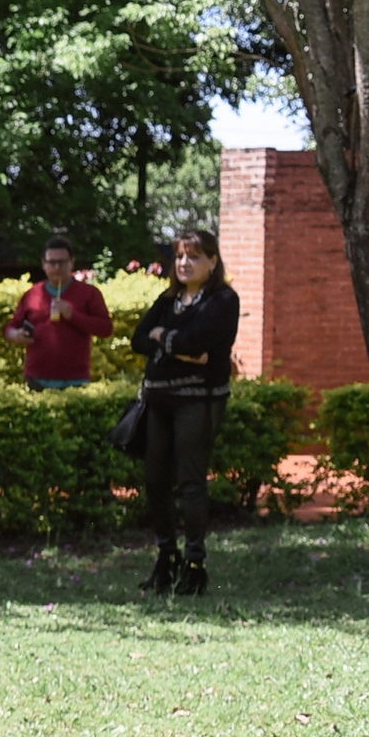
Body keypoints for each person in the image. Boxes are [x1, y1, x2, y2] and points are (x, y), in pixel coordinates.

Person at [130, 227, 238, 596]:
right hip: (158, 400)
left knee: (190, 482)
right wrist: (175, 344)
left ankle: (194, 564)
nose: (184, 263)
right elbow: (139, 338)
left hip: (199, 400)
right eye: (179, 256)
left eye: (193, 256)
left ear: (212, 261)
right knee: (155, 480)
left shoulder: (223, 300)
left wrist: (167, 339)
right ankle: (166, 558)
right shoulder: (168, 300)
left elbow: (198, 342)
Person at [3, 237, 111, 388]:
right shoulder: (32, 294)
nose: (57, 267)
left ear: (71, 263)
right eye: (52, 263)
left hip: (76, 380)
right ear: (44, 265)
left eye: (62, 262)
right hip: (36, 378)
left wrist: (72, 315)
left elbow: (106, 329)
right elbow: (10, 328)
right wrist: (16, 335)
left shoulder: (89, 293)